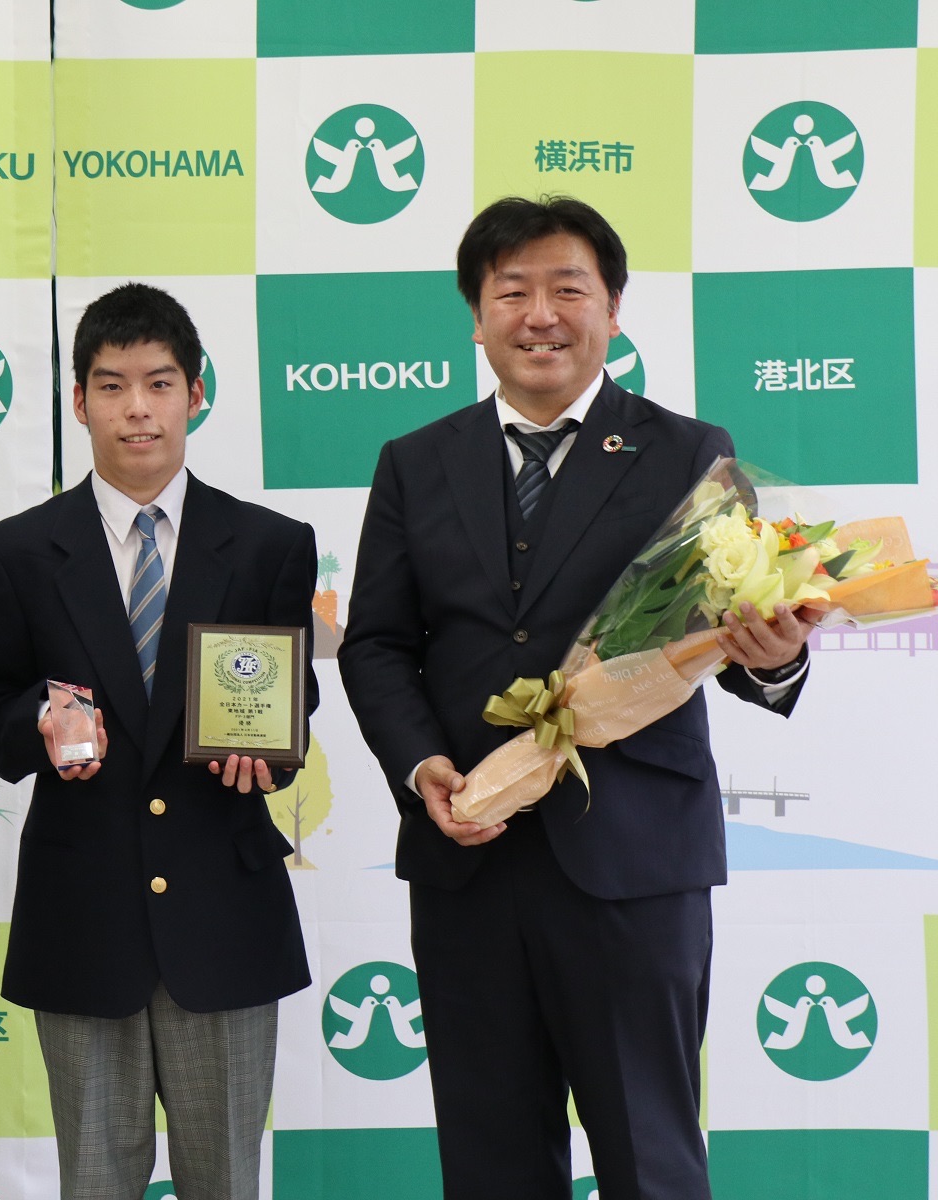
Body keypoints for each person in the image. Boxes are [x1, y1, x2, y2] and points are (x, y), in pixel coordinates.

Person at [337, 196, 813, 1200]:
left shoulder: (688, 453)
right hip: (469, 854)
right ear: (476, 315)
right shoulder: (415, 464)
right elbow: (378, 642)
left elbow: (728, 641)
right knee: (491, 1155)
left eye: (568, 289)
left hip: (633, 860)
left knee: (650, 1154)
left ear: (615, 309)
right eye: (511, 291)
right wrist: (424, 766)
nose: (540, 314)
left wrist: (772, 656)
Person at [0, 283, 317, 1199]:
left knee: (227, 1180)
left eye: (158, 384)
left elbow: (289, 700)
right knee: (95, 1181)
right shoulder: (14, 552)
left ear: (195, 393)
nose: (137, 409)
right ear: (78, 401)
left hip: (224, 917)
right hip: (82, 915)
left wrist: (268, 754)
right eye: (111, 386)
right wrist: (38, 722)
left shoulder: (271, 544)